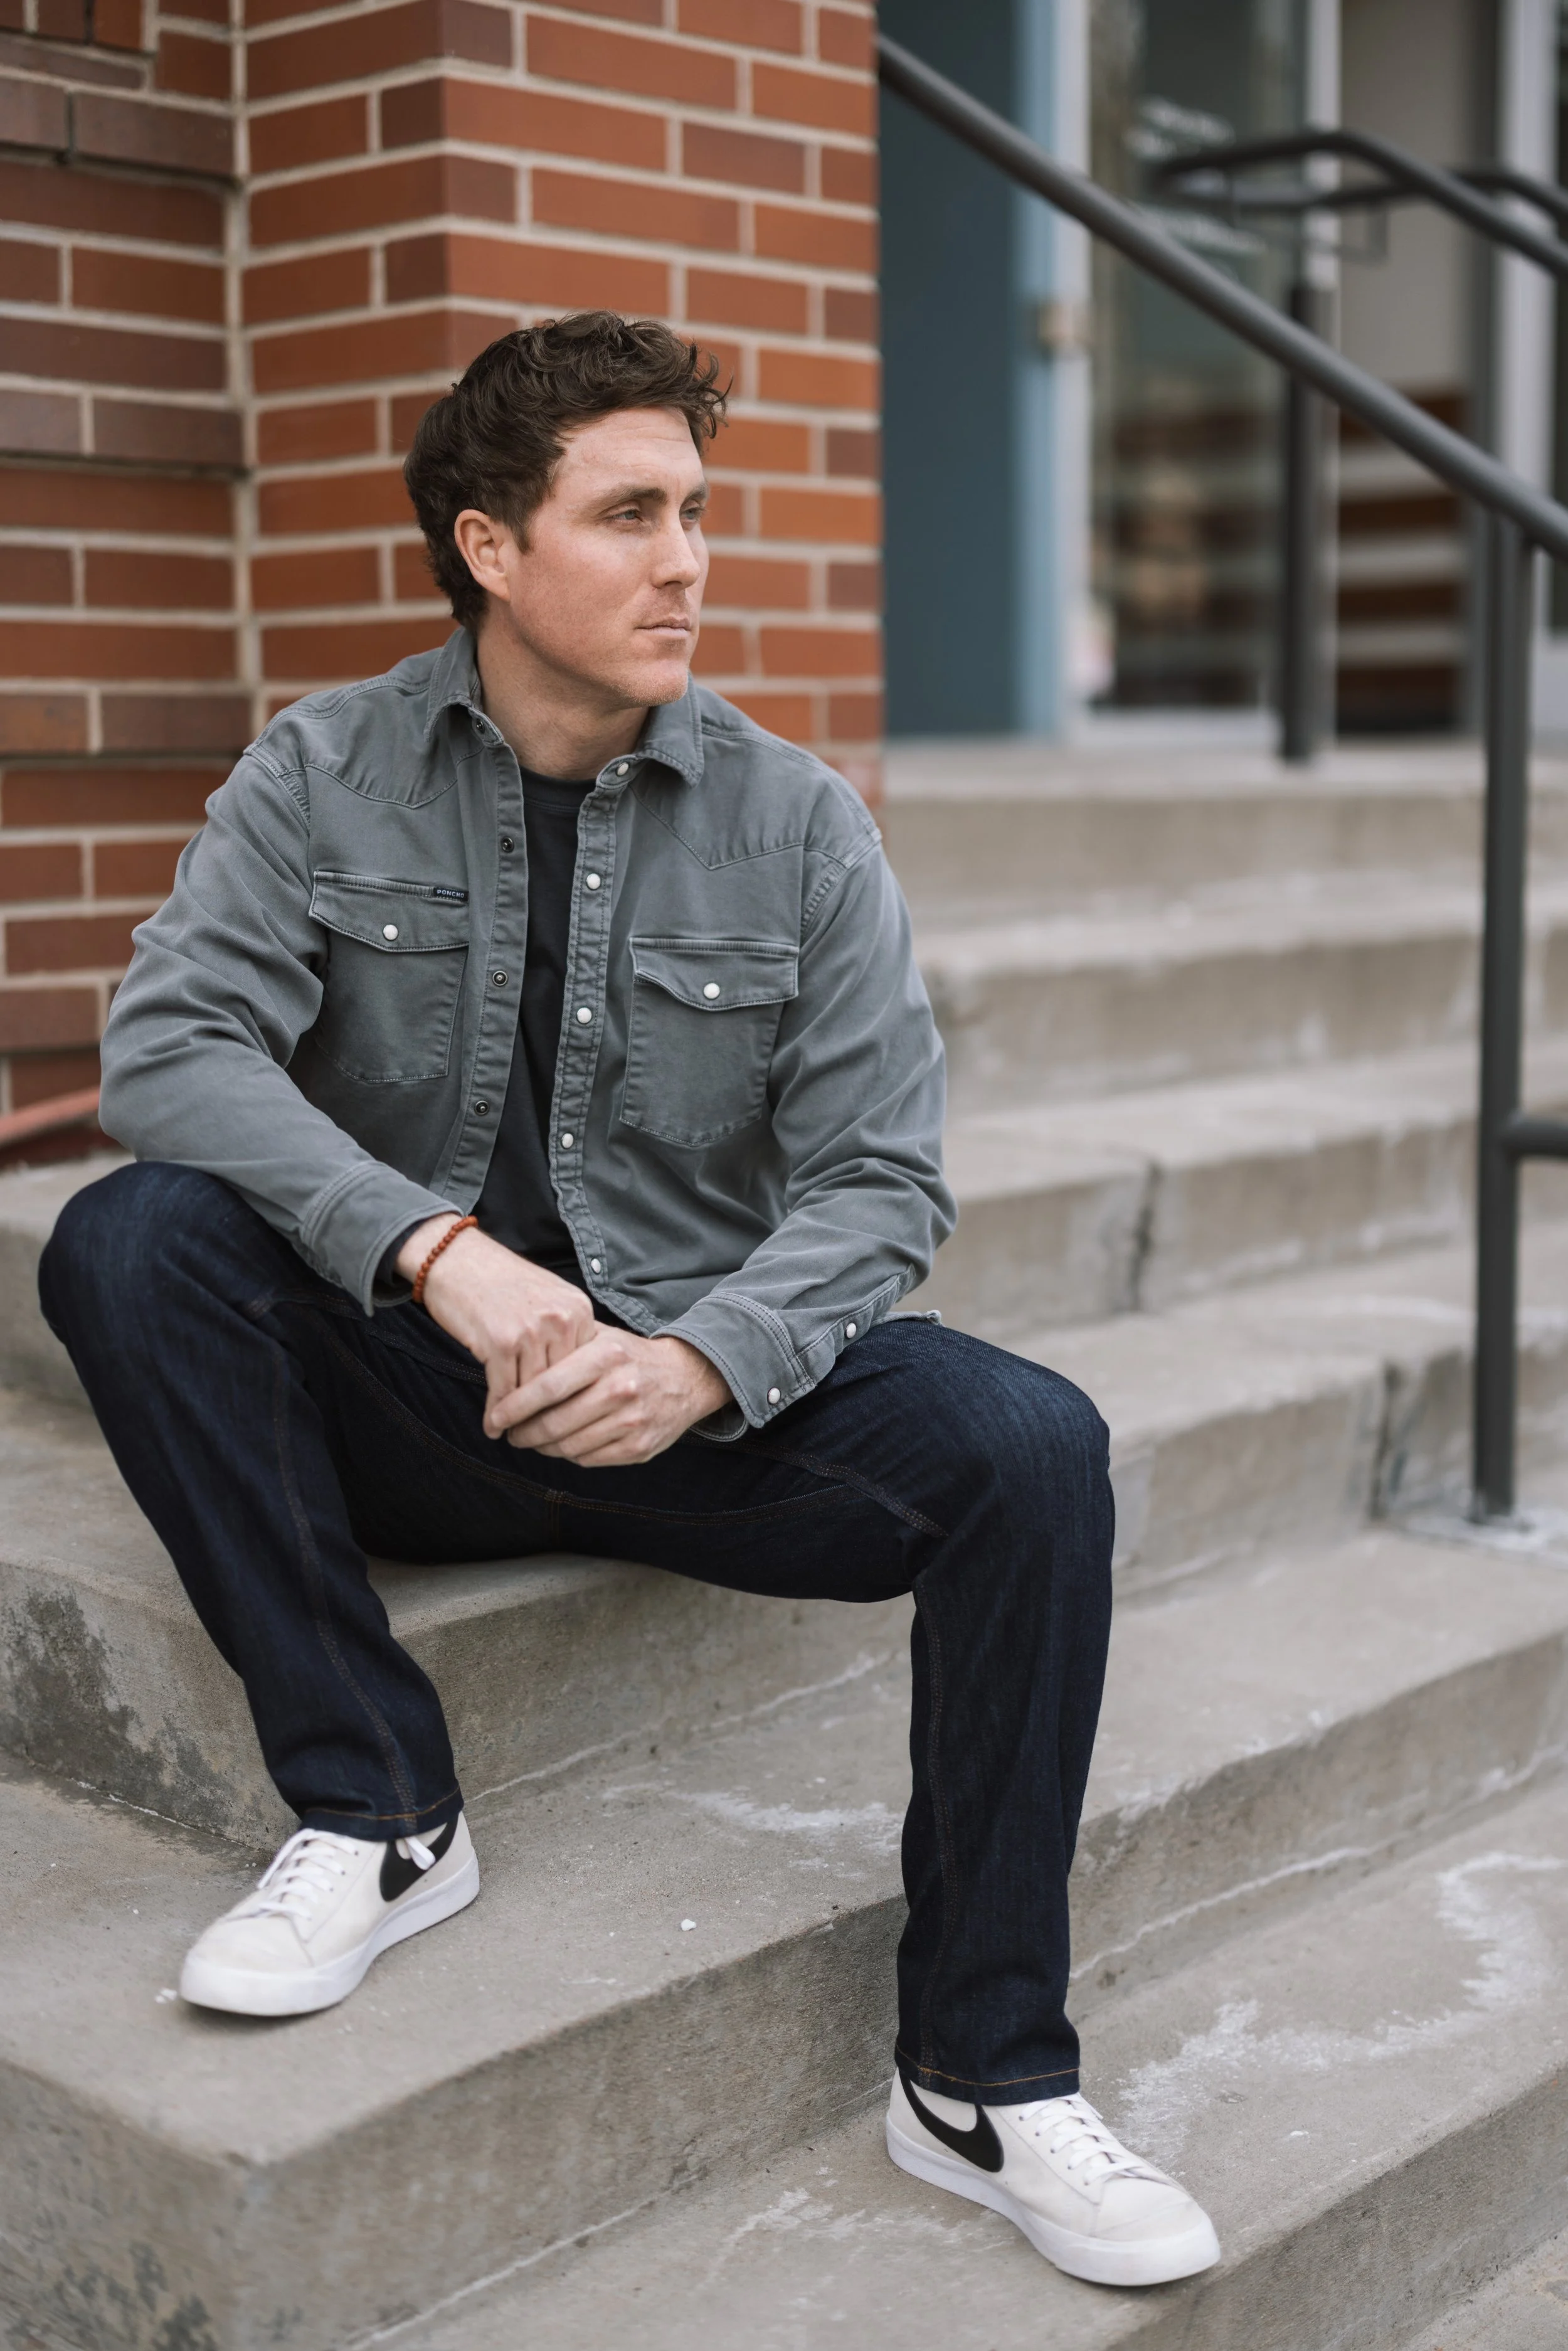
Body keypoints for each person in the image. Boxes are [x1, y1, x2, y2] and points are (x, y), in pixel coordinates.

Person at [38, 312, 1218, 2290]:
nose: (689, 560)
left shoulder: (795, 822)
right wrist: (430, 1245)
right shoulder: (322, 771)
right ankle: (380, 1802)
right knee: (130, 1234)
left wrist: (699, 1359)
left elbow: (877, 1180)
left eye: (697, 508)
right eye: (630, 513)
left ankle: (986, 2066)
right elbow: (168, 1051)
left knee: (1032, 1445)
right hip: (411, 1399)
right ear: (492, 547)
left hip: (700, 1426)